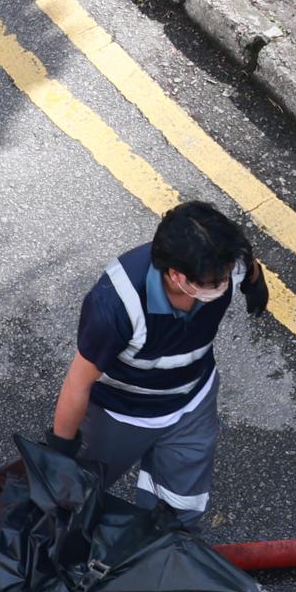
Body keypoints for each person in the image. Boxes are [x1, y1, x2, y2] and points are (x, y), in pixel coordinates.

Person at [46, 202, 267, 528]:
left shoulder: (224, 261)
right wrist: (59, 452)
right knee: (69, 503)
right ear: (177, 276)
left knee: (179, 509)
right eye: (213, 282)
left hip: (192, 402)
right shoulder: (115, 305)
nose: (223, 285)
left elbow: (247, 265)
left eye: (227, 275)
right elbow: (78, 382)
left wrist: (255, 286)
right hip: (120, 414)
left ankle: (162, 556)